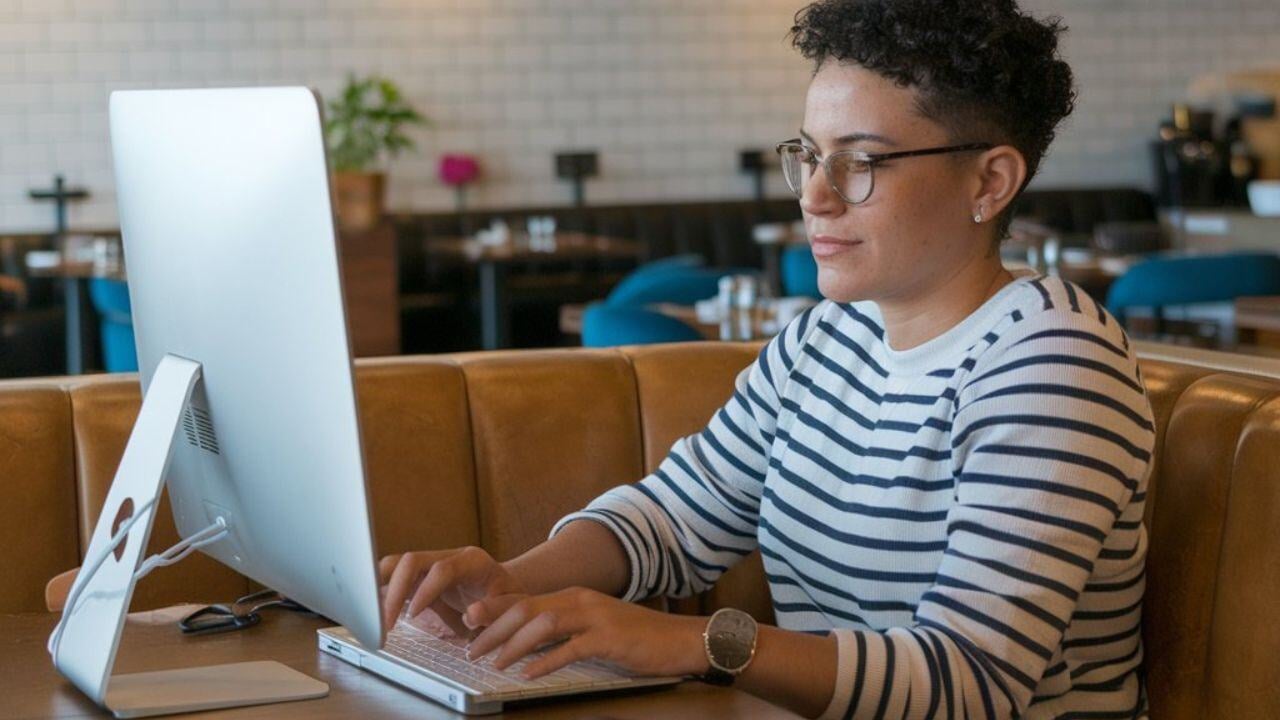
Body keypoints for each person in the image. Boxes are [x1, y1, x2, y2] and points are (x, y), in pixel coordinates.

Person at [382, 1, 1153, 717]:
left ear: (990, 181)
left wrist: (695, 642)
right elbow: (675, 518)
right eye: (809, 155)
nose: (814, 195)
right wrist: (511, 581)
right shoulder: (825, 338)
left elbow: (973, 682)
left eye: (862, 163)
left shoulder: (1053, 365)